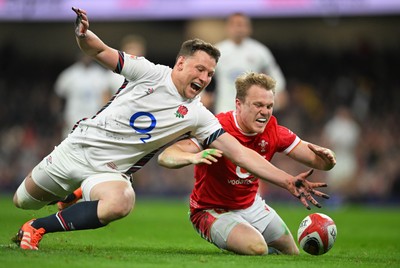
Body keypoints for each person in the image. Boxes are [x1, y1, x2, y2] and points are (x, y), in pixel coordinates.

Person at [12, 7, 327, 251]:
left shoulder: (198, 115)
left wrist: (287, 181)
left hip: (109, 172)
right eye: (199, 69)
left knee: (122, 202)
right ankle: (69, 193)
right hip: (74, 151)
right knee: (22, 200)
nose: (204, 78)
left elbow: (239, 153)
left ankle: (37, 227)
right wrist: (83, 34)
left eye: (210, 73)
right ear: (180, 64)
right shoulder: (149, 73)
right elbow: (100, 51)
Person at [158, 72, 336, 255]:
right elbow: (166, 155)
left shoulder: (274, 131)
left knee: (292, 254)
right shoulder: (214, 127)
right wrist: (191, 158)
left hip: (251, 205)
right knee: (257, 247)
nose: (265, 112)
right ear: (238, 104)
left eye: (269, 106)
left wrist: (328, 160)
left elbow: (318, 160)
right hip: (211, 210)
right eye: (258, 105)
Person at [201, 12, 288, 113]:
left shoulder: (260, 51)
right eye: (235, 25)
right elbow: (201, 74)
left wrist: (278, 92)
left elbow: (274, 73)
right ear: (228, 28)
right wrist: (202, 95)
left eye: (242, 25)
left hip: (252, 110)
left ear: (249, 28)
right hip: (224, 109)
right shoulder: (217, 51)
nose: (238, 29)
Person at [54, 53, 114, 138]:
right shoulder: (69, 74)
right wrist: (59, 116)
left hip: (93, 120)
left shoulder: (101, 74)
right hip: (72, 119)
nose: (86, 57)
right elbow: (58, 95)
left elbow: (106, 97)